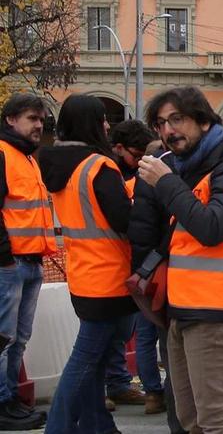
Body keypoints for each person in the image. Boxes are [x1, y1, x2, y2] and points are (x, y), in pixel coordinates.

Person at [131, 86, 223, 434]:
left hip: (216, 309)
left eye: (177, 119)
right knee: (190, 420)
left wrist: (166, 184)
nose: (168, 130)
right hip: (184, 308)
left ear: (205, 121)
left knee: (217, 422)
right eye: (161, 123)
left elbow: (213, 226)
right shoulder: (193, 166)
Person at [39, 95, 135, 433]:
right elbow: (124, 220)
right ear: (90, 124)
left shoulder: (56, 165)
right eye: (103, 119)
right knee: (84, 360)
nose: (108, 126)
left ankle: (98, 425)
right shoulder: (98, 166)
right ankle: (59, 426)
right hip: (108, 277)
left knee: (93, 360)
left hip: (82, 275)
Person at [0, 93, 53, 429]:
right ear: (10, 120)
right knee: (3, 340)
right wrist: (4, 259)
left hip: (29, 261)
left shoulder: (26, 158)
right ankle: (3, 404)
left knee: (17, 340)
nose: (39, 125)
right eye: (32, 118)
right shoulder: (4, 155)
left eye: (41, 119)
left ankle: (9, 399)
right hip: (10, 265)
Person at [105, 119, 165, 416]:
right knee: (160, 332)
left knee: (143, 334)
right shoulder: (159, 185)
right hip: (158, 267)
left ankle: (153, 393)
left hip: (138, 267)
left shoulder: (129, 184)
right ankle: (160, 393)